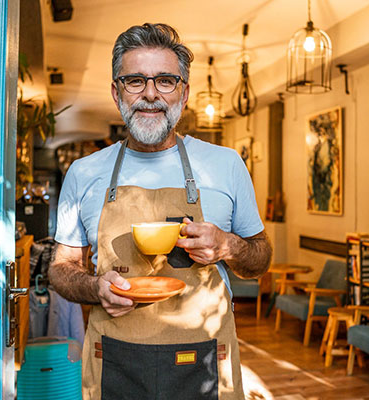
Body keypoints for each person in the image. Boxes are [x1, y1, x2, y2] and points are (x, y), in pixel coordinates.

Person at [49, 23, 272, 399]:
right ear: (116, 92)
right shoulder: (84, 172)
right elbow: (60, 269)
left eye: (165, 81)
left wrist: (228, 246)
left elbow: (262, 257)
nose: (150, 94)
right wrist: (93, 287)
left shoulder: (226, 164)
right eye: (134, 80)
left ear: (183, 94)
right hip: (116, 361)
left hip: (204, 362)